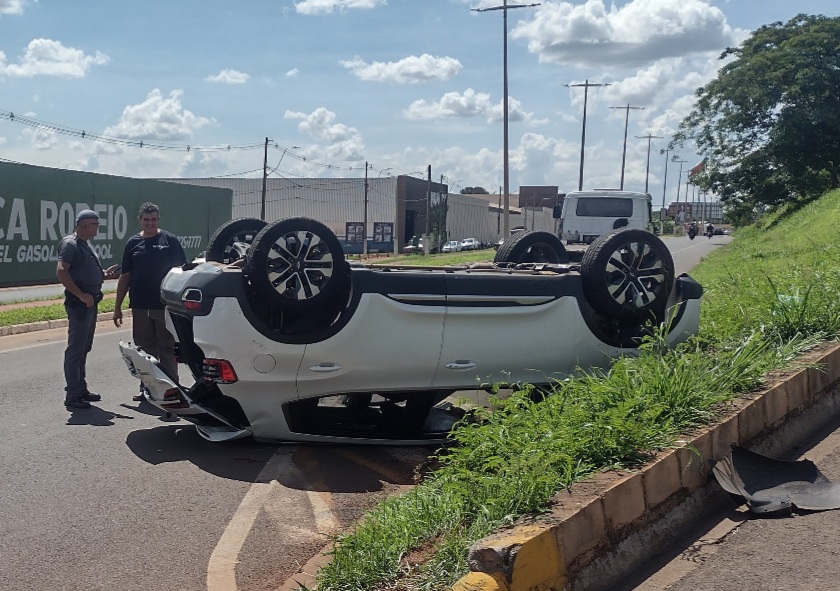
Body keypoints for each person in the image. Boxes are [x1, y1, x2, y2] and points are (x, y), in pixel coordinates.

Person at [113, 202, 187, 401]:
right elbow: (125, 276)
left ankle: (172, 389)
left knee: (167, 347)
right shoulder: (132, 243)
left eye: (153, 219)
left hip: (165, 306)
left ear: (158, 219)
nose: (150, 223)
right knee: (144, 350)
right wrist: (117, 306)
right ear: (140, 220)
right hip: (139, 305)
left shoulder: (169, 240)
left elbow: (182, 273)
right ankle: (147, 389)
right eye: (146, 220)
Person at [56, 209, 120, 409]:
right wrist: (81, 295)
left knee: (84, 347)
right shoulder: (70, 244)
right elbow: (61, 272)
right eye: (95, 224)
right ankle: (73, 394)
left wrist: (102, 274)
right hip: (80, 305)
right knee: (76, 349)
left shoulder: (84, 244)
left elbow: (82, 270)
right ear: (85, 225)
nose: (98, 227)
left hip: (90, 303)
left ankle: (80, 389)